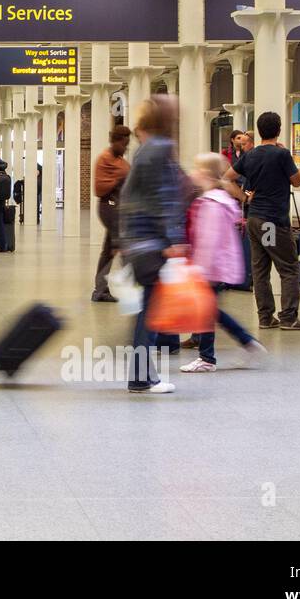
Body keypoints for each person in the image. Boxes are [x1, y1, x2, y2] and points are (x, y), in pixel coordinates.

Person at [119, 96, 186, 394]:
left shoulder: (142, 152)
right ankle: (142, 377)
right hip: (151, 243)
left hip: (136, 241)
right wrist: (174, 239)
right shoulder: (160, 149)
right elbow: (165, 199)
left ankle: (141, 375)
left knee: (147, 309)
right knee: (149, 311)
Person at [180, 153, 268, 373]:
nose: (194, 173)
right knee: (211, 310)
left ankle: (208, 357)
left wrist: (198, 268)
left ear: (207, 175)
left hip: (210, 267)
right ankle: (247, 342)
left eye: (197, 169)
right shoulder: (221, 201)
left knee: (206, 310)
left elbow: (209, 239)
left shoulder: (211, 204)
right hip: (217, 265)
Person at [225, 111, 300, 331]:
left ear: (259, 131)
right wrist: (295, 164)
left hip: (253, 218)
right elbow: (297, 181)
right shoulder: (281, 154)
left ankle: (265, 317)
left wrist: (244, 197)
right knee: (289, 268)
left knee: (260, 270)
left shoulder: (250, 155)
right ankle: (289, 317)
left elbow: (227, 179)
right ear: (279, 129)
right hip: (272, 222)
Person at [91, 125, 132, 302]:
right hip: (109, 208)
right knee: (122, 247)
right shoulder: (104, 159)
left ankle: (100, 290)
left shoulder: (120, 160)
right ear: (115, 141)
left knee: (108, 251)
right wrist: (119, 180)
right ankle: (130, 290)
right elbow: (99, 188)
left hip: (119, 208)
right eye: (123, 144)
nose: (125, 148)